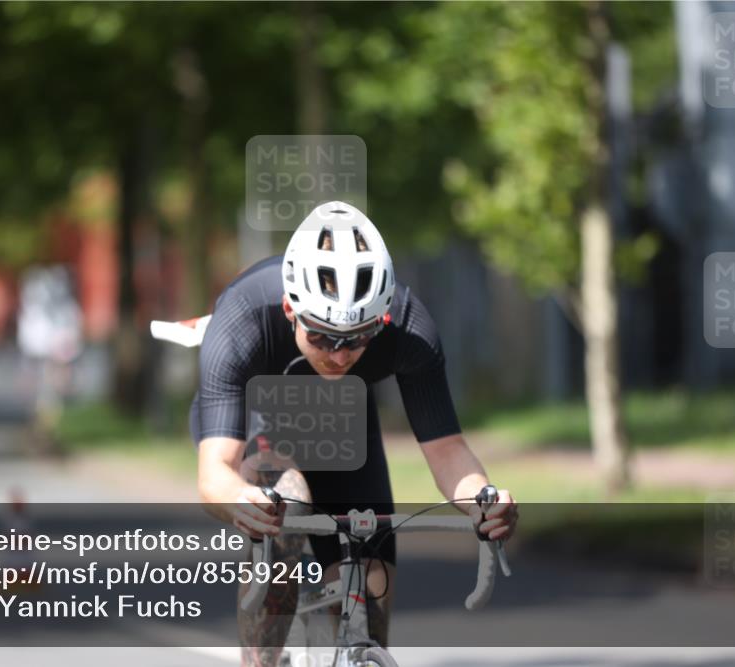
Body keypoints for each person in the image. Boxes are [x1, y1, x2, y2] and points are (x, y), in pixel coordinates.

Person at [191, 201, 518, 667]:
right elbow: (214, 475)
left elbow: (448, 450)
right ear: (290, 309)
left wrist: (485, 499)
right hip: (255, 422)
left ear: (382, 316)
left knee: (370, 589)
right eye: (323, 337)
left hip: (344, 425)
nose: (341, 356)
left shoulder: (408, 328)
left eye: (357, 338)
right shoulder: (244, 317)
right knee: (288, 501)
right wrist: (250, 502)